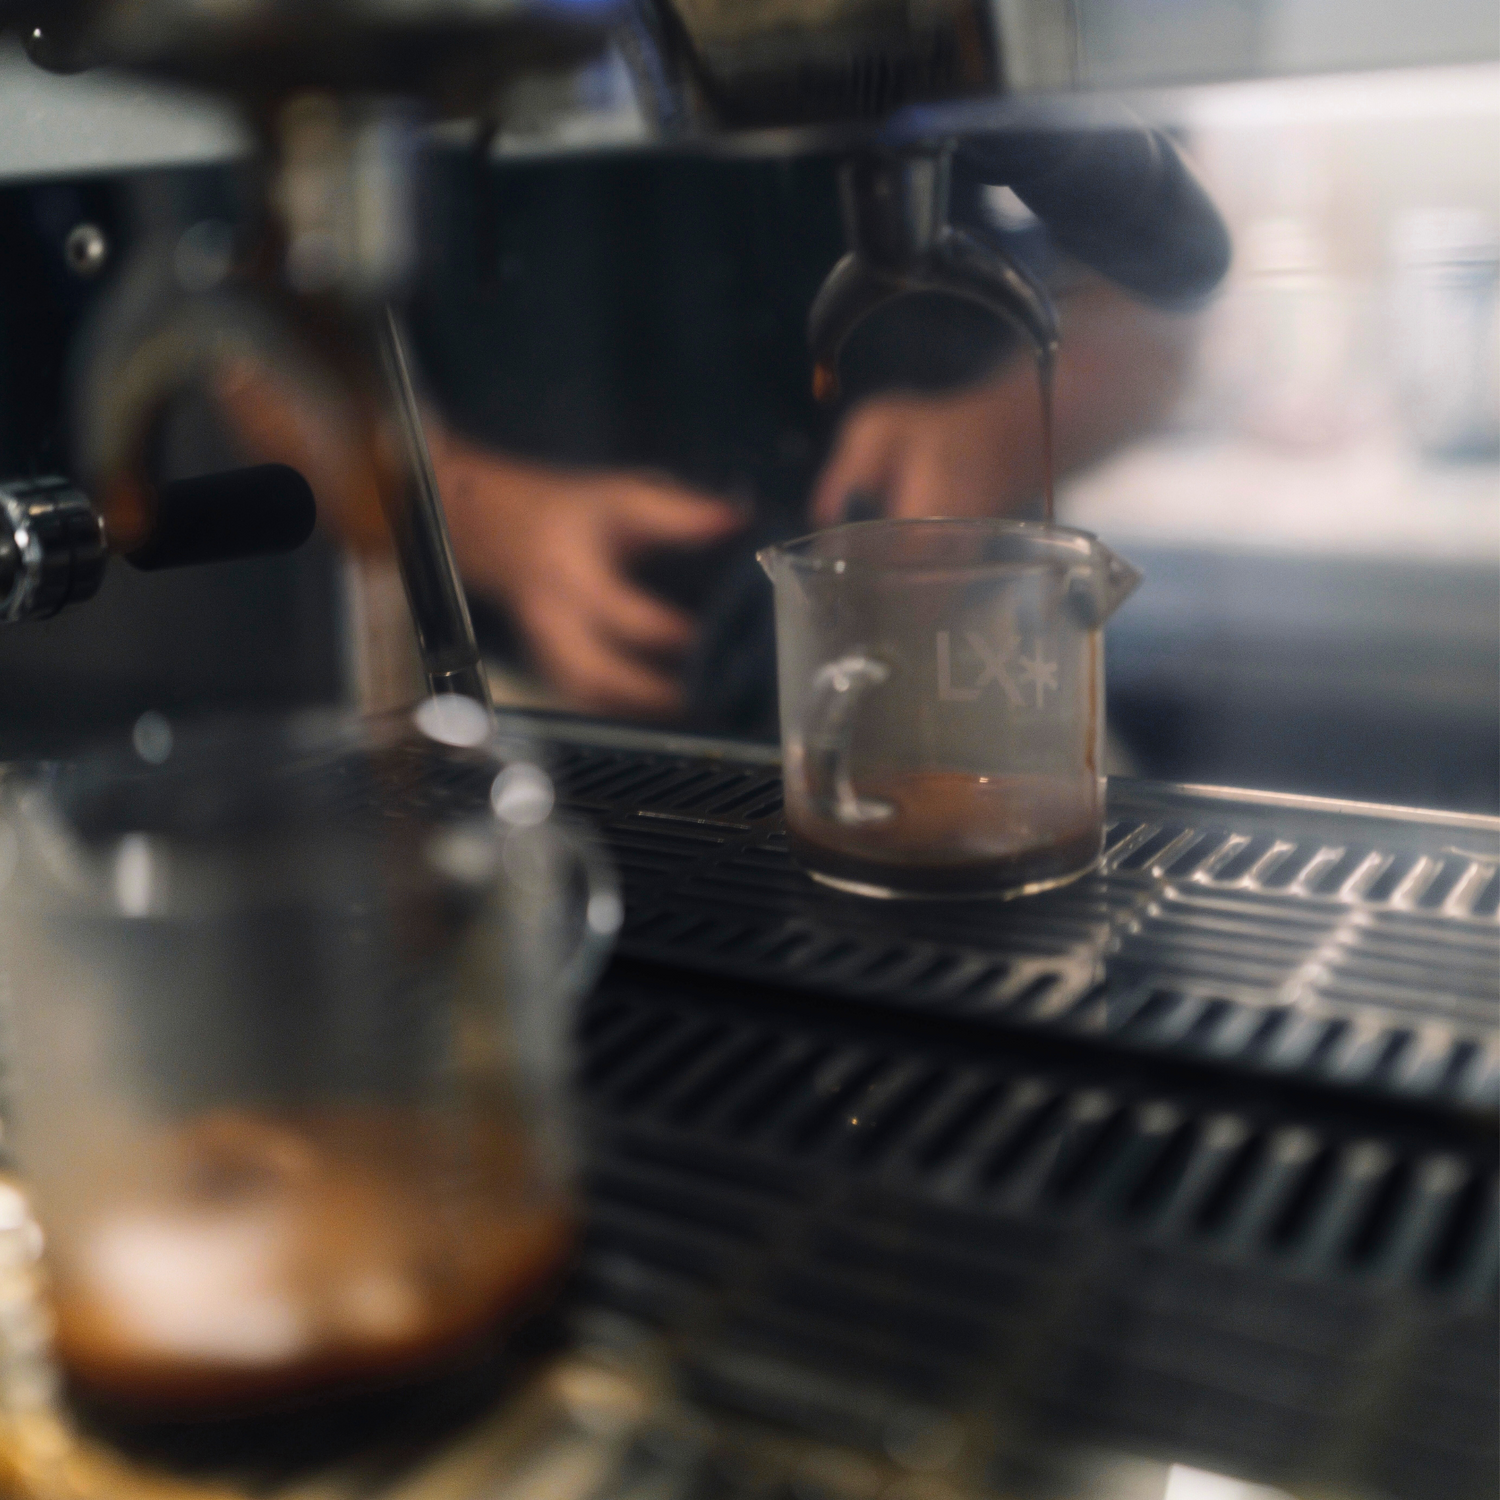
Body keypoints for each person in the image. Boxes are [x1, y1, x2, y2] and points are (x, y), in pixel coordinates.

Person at [220, 150, 1197, 727]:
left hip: (961, 691)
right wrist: (484, 519)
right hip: (553, 715)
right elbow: (252, 352)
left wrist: (996, 433)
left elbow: (1168, 296)